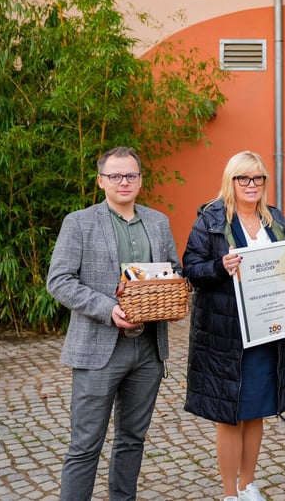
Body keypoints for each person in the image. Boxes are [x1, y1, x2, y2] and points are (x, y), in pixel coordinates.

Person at [47, 146, 181, 501]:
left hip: (149, 350)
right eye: (116, 176)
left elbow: (173, 270)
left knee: (132, 440)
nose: (124, 182)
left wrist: (177, 288)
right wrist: (108, 308)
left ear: (140, 179)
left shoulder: (158, 221)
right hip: (98, 349)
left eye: (131, 175)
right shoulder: (79, 222)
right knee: (85, 445)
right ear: (101, 181)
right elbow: (59, 280)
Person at [182, 150, 285, 501]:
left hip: (266, 330)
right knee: (230, 414)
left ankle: (249, 484)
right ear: (230, 181)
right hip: (225, 334)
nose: (252, 185)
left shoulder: (275, 219)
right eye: (243, 178)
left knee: (256, 409)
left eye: (258, 178)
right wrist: (220, 266)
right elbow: (191, 268)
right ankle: (229, 492)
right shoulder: (211, 219)